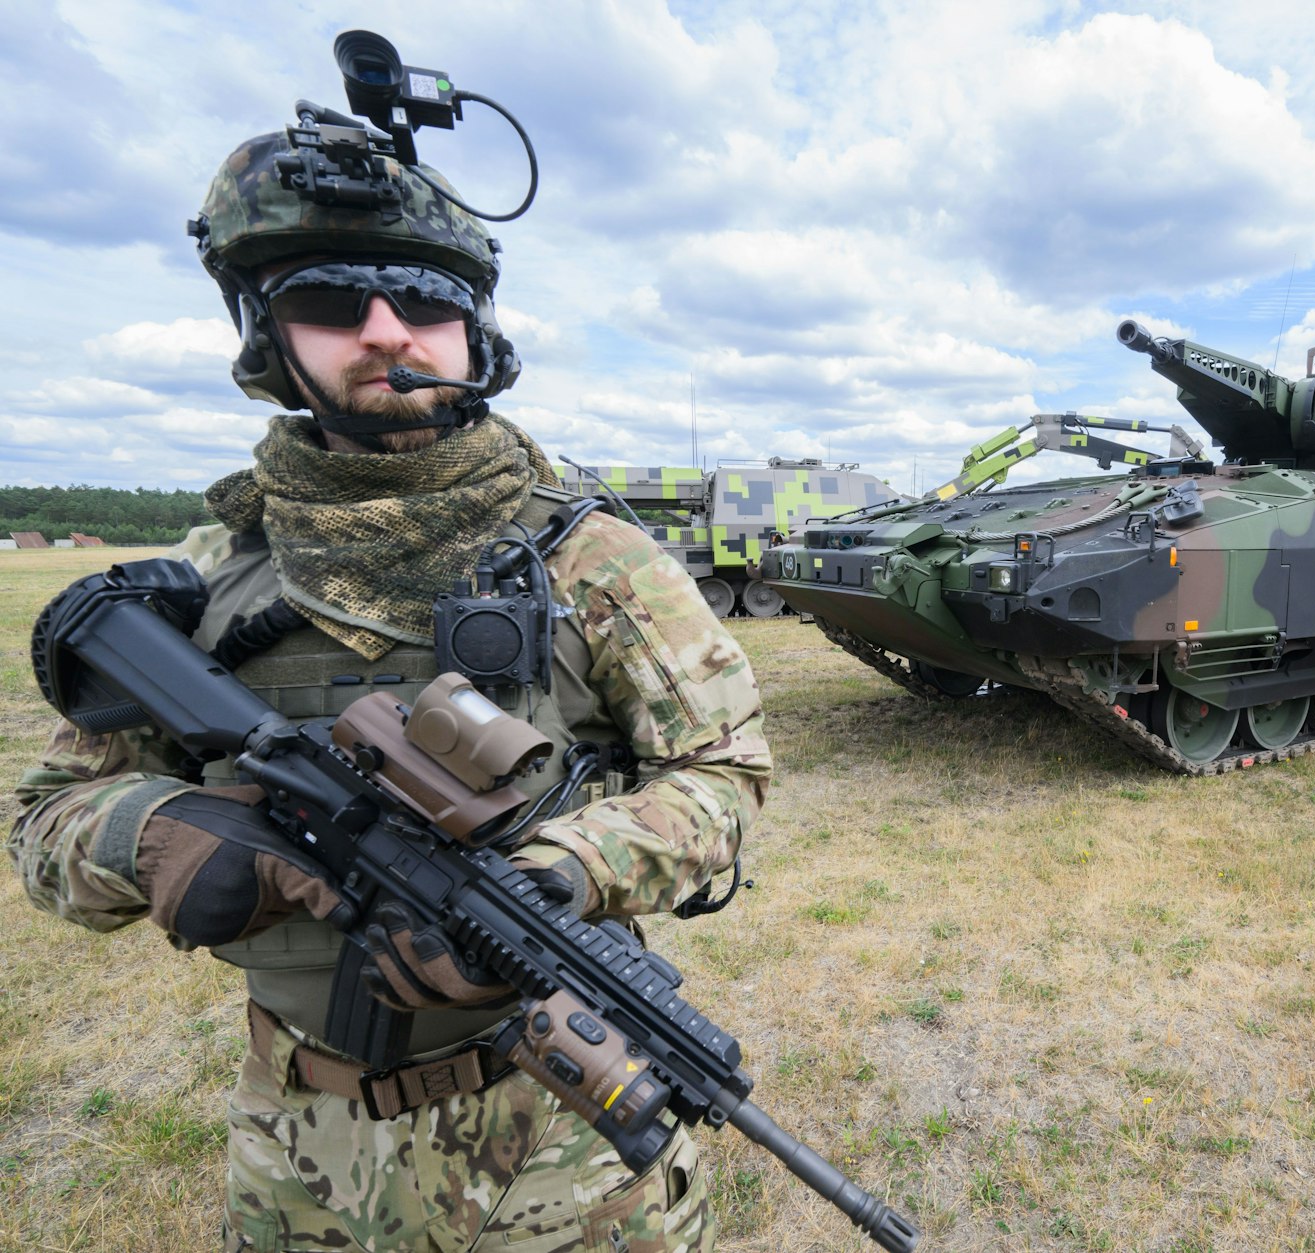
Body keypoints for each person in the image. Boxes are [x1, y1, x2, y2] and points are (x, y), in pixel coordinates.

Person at [8, 123, 770, 1253]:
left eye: (421, 299)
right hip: (300, 1145)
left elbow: (723, 782)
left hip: (558, 1137)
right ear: (265, 331)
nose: (384, 331)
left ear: (475, 330)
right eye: (327, 299)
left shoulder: (592, 556)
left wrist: (561, 870)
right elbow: (44, 826)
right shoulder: (210, 578)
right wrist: (167, 835)